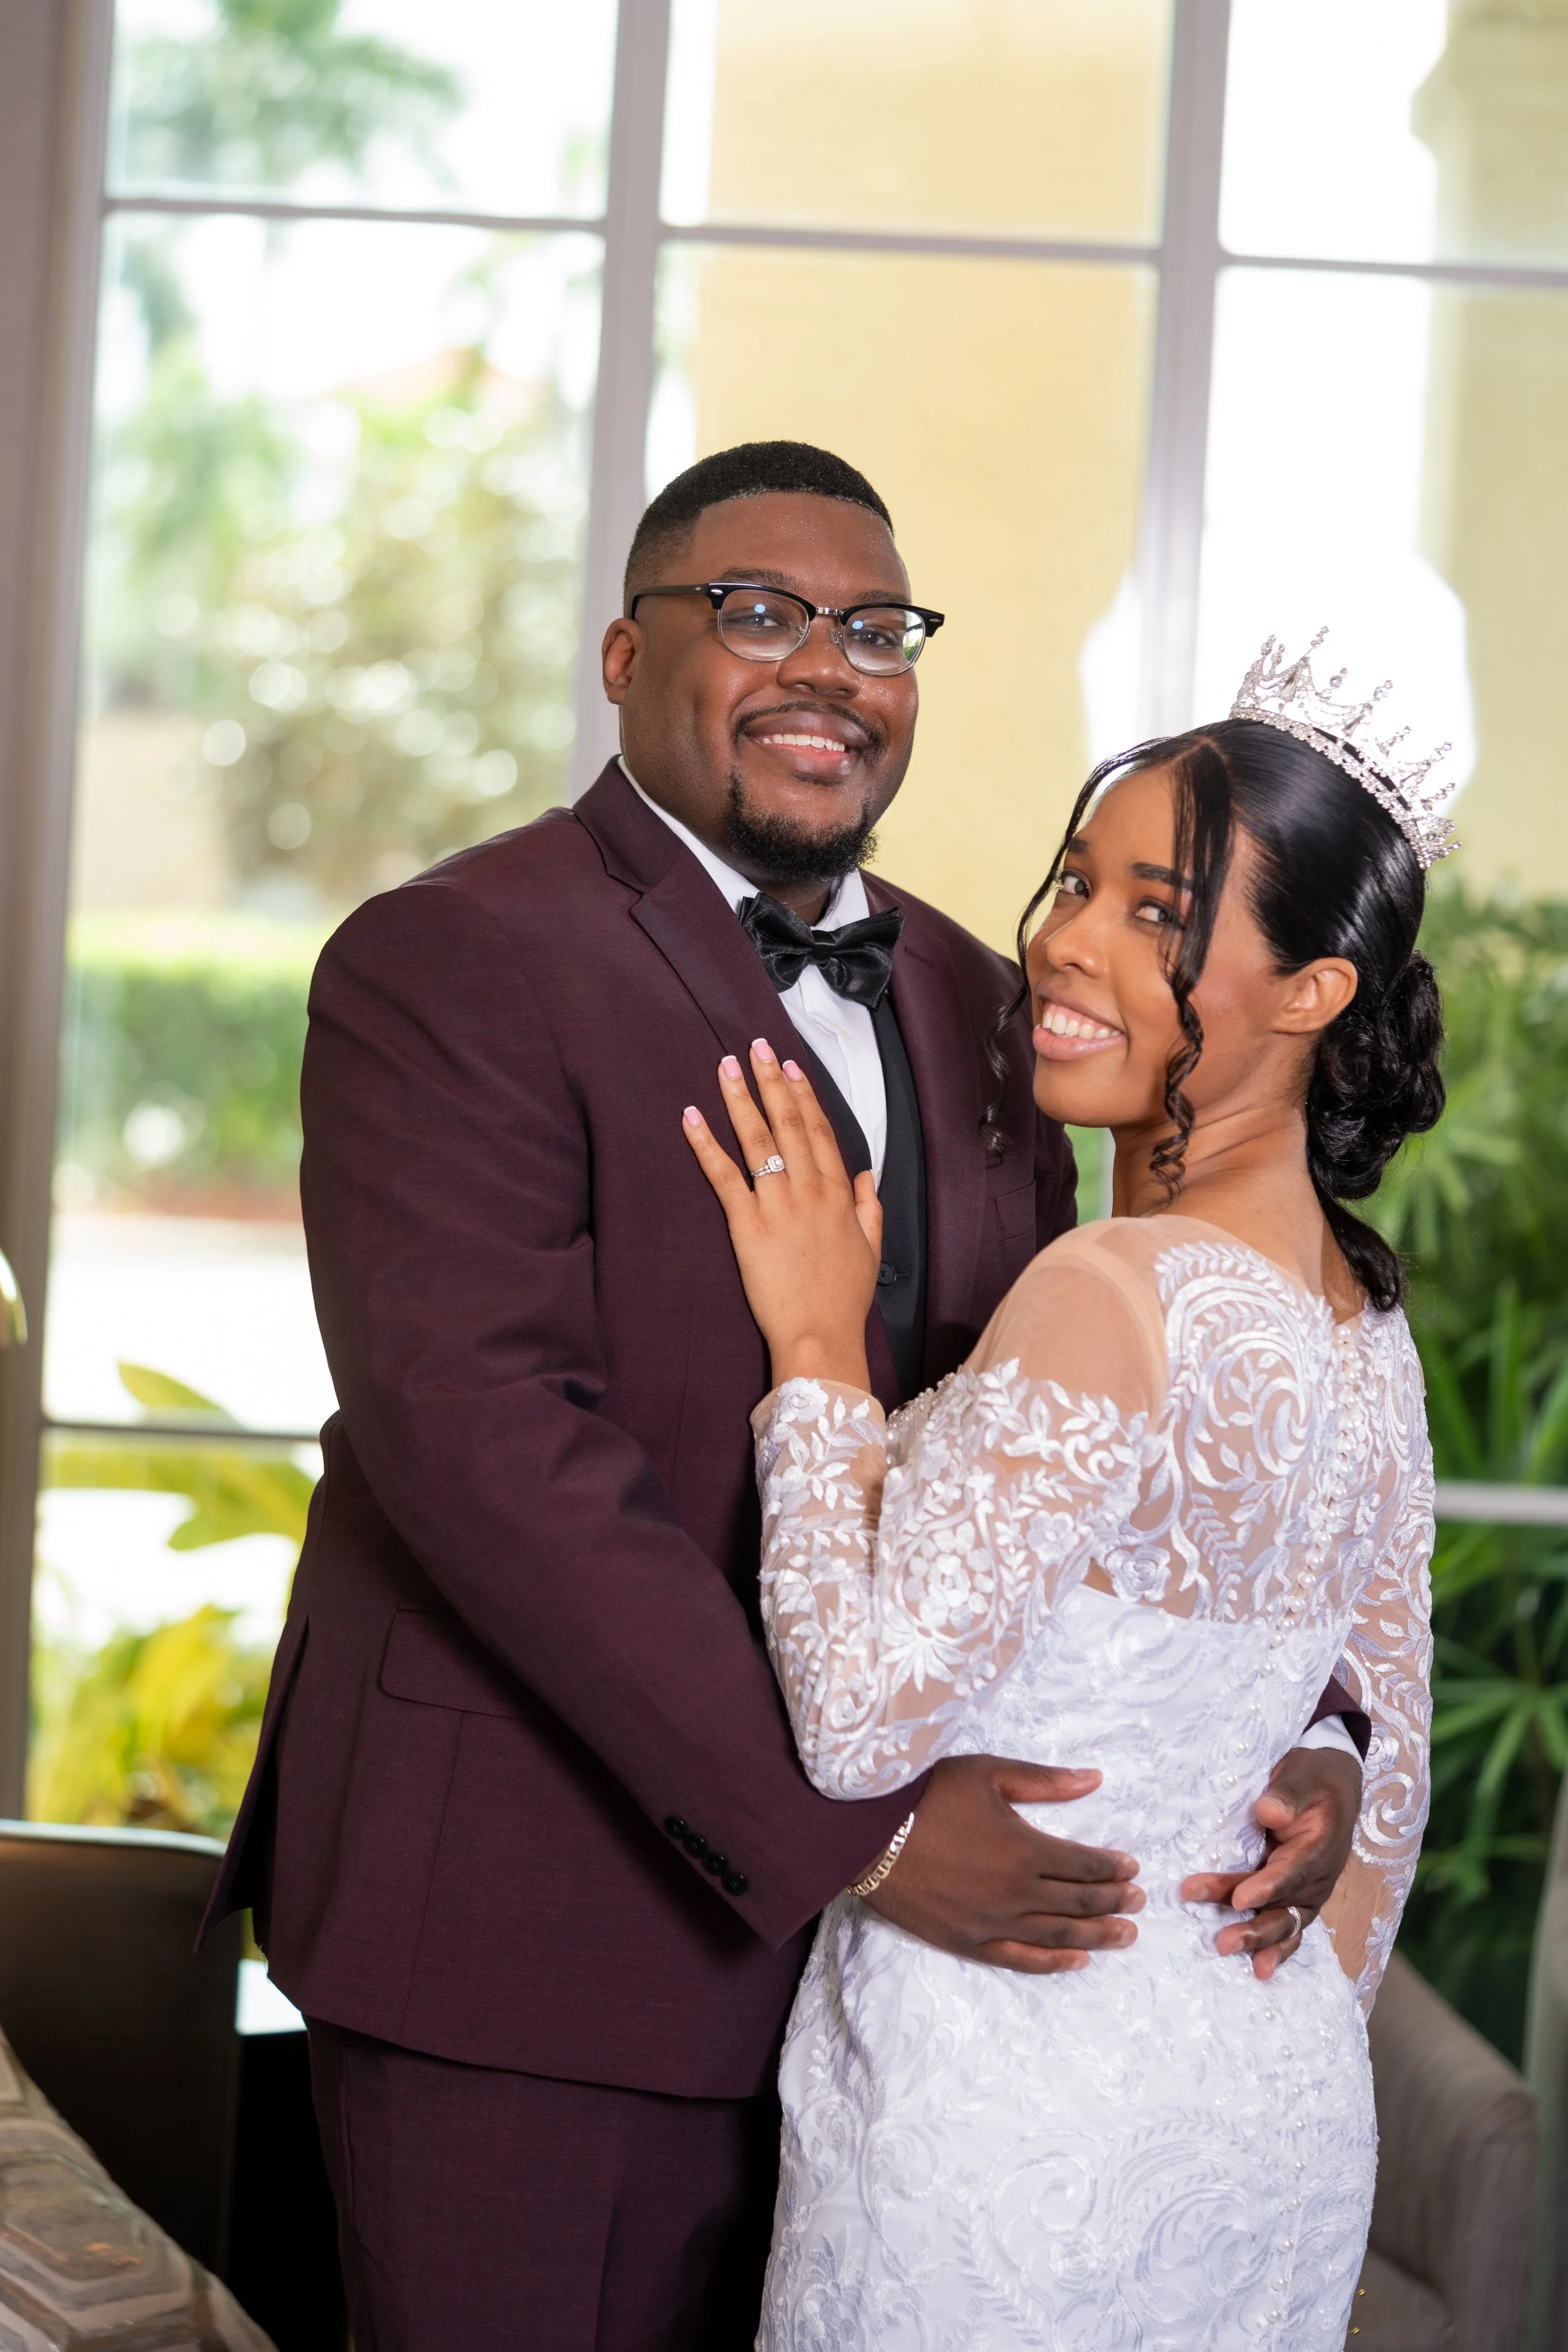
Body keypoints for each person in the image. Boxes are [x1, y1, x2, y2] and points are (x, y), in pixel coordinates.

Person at [206, 447, 1366, 2350]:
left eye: (874, 628)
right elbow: (493, 1456)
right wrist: (876, 1838)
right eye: (755, 611)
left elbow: (1103, 1417)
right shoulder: (447, 966)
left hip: (918, 2039)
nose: (826, 665)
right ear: (621, 653)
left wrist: (1298, 1720)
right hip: (539, 1957)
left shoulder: (1002, 1009)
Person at [683, 637, 1443, 2348]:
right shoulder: (1366, 1327)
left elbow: (864, 1725)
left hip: (1005, 2124)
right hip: (1265, 2109)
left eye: (1156, 911)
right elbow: (1382, 1745)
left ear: (1314, 988)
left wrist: (814, 1349)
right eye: (1074, 878)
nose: (1065, 939)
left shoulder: (1112, 1289)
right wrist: (1310, 1797)